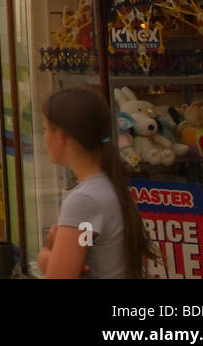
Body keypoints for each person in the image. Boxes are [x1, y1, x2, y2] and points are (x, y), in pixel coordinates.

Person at [37, 87, 158, 278]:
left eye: (45, 129)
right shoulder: (106, 187)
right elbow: (88, 246)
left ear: (61, 136)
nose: (44, 137)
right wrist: (61, 248)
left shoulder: (84, 200)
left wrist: (46, 259)